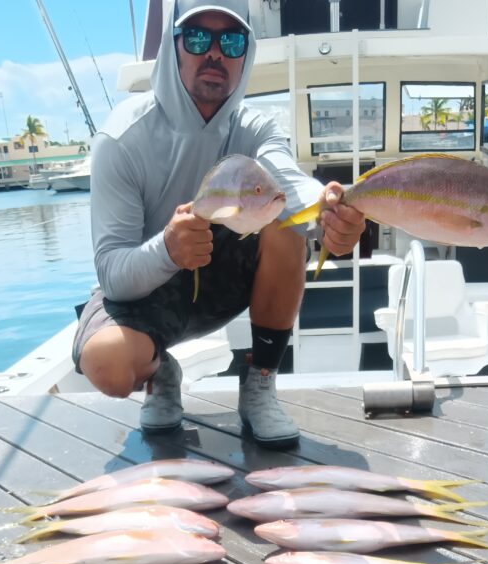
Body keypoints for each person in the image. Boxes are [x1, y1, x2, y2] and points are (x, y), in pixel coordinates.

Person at [73, 0, 365, 449]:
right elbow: (112, 273)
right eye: (197, 38)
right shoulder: (120, 139)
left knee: (283, 220)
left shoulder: (257, 128)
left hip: (223, 279)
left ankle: (260, 383)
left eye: (230, 40)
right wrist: (167, 250)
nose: (214, 53)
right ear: (174, 48)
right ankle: (160, 373)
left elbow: (290, 186)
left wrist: (329, 212)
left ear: (245, 53)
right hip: (148, 288)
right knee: (107, 365)